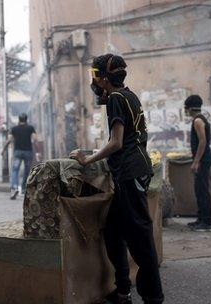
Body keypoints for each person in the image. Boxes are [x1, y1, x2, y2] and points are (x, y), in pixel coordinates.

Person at [70, 54, 163, 304]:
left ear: (103, 78)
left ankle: (154, 297)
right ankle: (123, 291)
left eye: (95, 75)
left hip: (131, 173)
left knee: (140, 238)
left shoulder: (115, 99)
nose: (94, 81)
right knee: (112, 231)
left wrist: (87, 159)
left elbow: (116, 142)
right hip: (132, 170)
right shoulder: (130, 95)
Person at [184, 95, 211, 232]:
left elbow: (202, 141)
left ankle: (207, 222)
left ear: (189, 109)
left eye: (185, 108)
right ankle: (201, 218)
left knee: (202, 190)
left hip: (203, 159)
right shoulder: (200, 119)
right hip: (203, 158)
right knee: (199, 189)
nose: (185, 111)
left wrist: (196, 161)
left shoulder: (197, 121)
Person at [2, 113, 37, 199]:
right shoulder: (30, 128)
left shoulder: (14, 129)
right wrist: (37, 151)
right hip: (28, 152)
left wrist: (3, 149)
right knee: (27, 170)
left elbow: (9, 140)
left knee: (15, 170)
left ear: (19, 119)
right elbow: (35, 139)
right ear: (26, 119)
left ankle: (14, 188)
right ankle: (24, 188)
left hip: (17, 152)